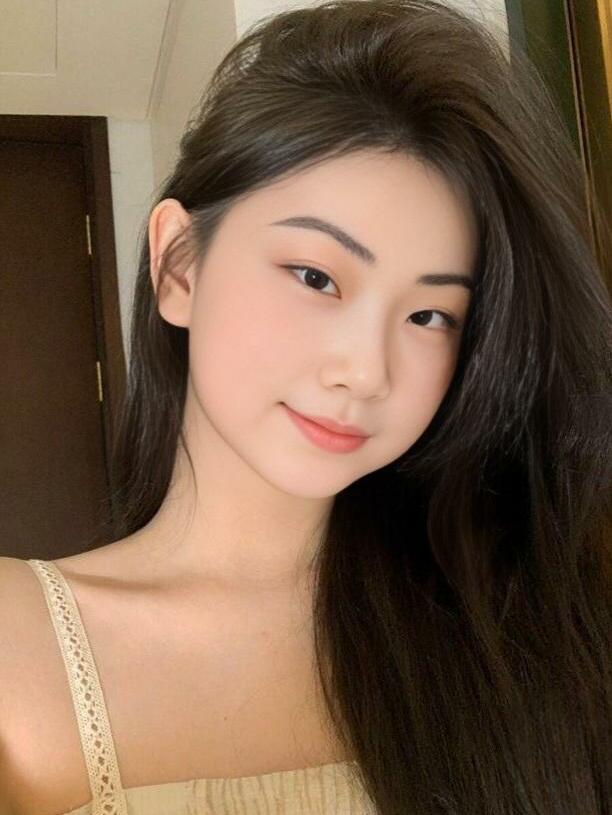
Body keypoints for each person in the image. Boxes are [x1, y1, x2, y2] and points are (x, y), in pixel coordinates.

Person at [1, 1, 611, 813]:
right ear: (179, 265)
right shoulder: (17, 638)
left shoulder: (521, 637)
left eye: (431, 315)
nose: (366, 370)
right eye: (317, 276)